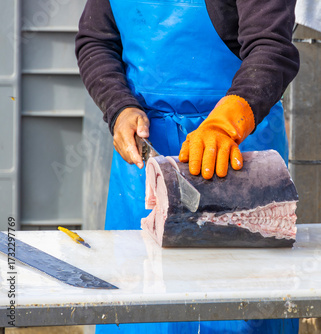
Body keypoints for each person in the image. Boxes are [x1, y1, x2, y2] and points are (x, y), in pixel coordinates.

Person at [75, 0, 300, 332]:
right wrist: (119, 106)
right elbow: (95, 40)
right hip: (145, 160)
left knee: (237, 306)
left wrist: (224, 125)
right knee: (139, 307)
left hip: (233, 149)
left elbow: (271, 47)